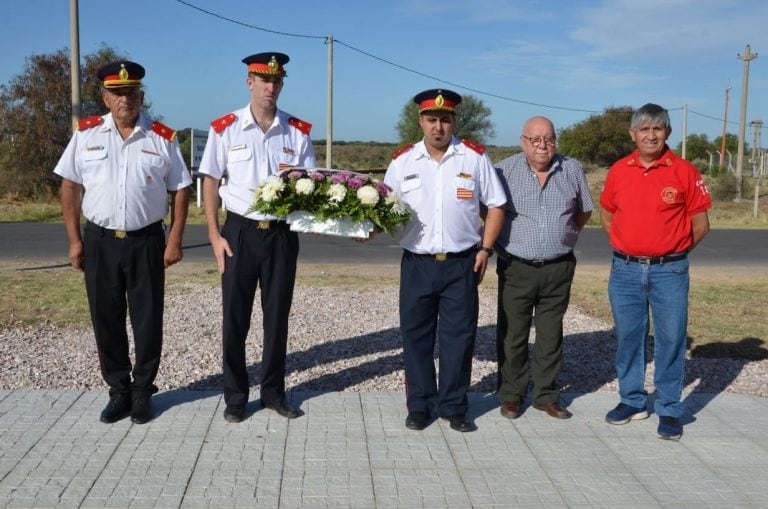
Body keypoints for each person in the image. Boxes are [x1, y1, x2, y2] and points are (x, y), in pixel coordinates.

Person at [54, 60, 191, 424]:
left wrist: (174, 237)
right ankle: (119, 390)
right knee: (106, 318)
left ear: (141, 96)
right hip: (100, 240)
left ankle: (144, 391)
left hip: (146, 240)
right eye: (117, 93)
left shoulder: (162, 137)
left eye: (130, 93)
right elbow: (70, 186)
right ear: (105, 97)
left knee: (147, 320)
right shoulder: (86, 135)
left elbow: (180, 190)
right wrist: (73, 240)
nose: (124, 100)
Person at [198, 52, 316, 423]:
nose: (270, 87)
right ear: (249, 82)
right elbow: (211, 182)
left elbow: (311, 186)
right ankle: (235, 397)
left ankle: (273, 393)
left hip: (280, 235)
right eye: (263, 80)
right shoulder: (226, 128)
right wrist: (215, 236)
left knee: (277, 317)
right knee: (235, 318)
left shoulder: (296, 132)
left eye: (277, 81)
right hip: (240, 232)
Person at [384, 89, 507, 432]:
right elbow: (381, 207)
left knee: (459, 337)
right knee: (416, 337)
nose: (438, 127)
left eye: (445, 119)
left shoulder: (473, 158)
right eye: (431, 120)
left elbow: (496, 205)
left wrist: (485, 249)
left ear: (454, 121)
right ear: (421, 122)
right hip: (417, 264)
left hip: (461, 264)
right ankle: (420, 405)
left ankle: (454, 406)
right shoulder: (403, 161)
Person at [600, 103, 711, 440]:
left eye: (657, 129)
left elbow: (701, 225)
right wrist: (629, 245)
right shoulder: (619, 170)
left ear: (667, 133)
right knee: (629, 338)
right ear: (633, 134)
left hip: (669, 272)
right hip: (625, 271)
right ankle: (632, 401)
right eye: (644, 129)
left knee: (671, 339)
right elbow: (608, 214)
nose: (651, 135)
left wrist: (671, 252)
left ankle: (669, 408)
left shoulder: (684, 171)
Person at [494, 116, 594, 421]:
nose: (542, 145)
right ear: (523, 141)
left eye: (548, 139)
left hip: (558, 268)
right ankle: (512, 395)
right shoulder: (504, 171)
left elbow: (584, 210)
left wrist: (563, 238)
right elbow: (491, 213)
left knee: (551, 335)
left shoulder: (572, 169)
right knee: (514, 333)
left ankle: (547, 395)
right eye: (535, 140)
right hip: (517, 267)